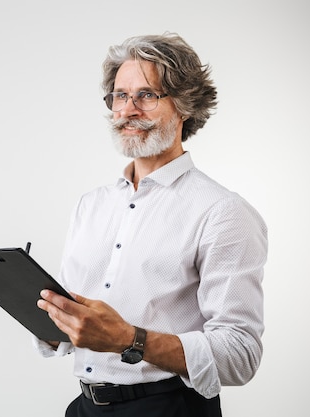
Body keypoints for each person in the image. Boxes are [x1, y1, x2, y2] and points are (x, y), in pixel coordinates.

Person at [35, 33, 268, 417]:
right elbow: (76, 321)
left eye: (147, 95)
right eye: (120, 96)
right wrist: (44, 313)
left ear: (185, 106)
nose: (128, 110)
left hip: (170, 408)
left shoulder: (223, 212)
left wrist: (129, 339)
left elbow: (240, 355)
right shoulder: (90, 205)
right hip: (83, 408)